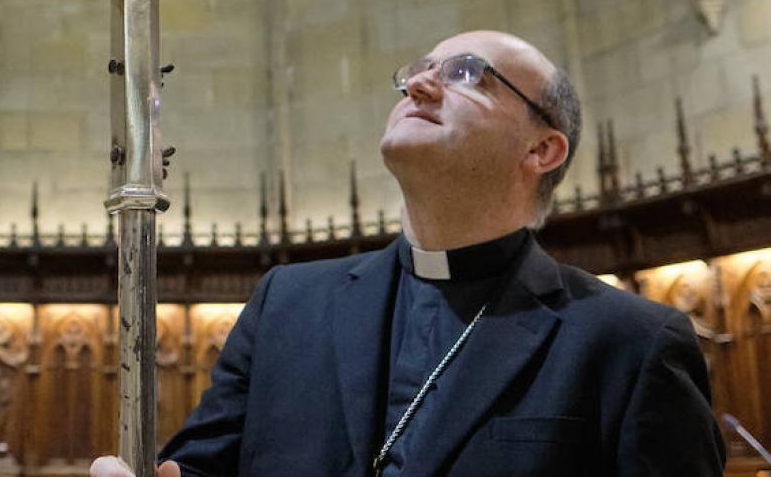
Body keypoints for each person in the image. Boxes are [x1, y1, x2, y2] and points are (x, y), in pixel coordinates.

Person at [92, 30, 725, 477]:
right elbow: (202, 470)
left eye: (467, 73)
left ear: (543, 150)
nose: (420, 84)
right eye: (418, 70)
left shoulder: (630, 344)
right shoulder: (286, 305)